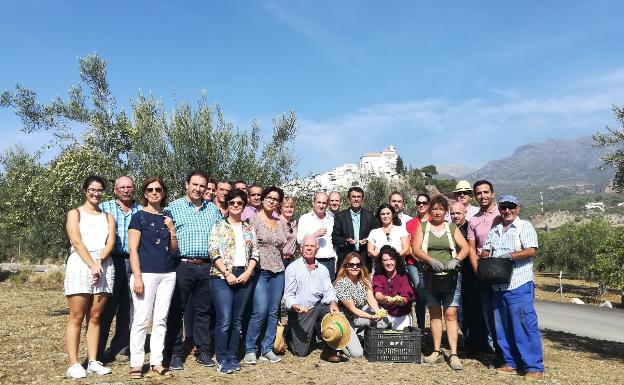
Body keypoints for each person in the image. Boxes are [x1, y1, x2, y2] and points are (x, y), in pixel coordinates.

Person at [164, 171, 223, 371]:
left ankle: (204, 351)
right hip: (182, 265)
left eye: (202, 186)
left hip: (207, 266)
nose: (198, 189)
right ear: (187, 185)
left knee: (203, 311)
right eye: (194, 184)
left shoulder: (212, 210)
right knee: (176, 310)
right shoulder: (173, 208)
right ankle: (174, 353)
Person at [482, 195, 543, 381]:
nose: (507, 211)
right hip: (497, 286)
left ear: (518, 208)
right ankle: (511, 362)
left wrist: (509, 256)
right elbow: (486, 249)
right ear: (499, 209)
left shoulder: (525, 227)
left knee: (524, 325)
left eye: (511, 207)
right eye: (503, 207)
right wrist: (486, 257)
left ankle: (534, 367)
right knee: (502, 326)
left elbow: (532, 250)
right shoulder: (496, 230)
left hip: (519, 283)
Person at [64, 175, 116, 378]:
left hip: (103, 265)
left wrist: (100, 261)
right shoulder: (74, 213)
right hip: (81, 263)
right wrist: (91, 264)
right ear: (85, 190)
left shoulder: (108, 217)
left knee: (95, 317)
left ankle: (93, 360)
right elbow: (76, 241)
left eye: (100, 190)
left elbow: (110, 242)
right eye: (92, 189)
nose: (96, 193)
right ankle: (74, 363)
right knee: (77, 316)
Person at [127, 178, 177, 379]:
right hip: (145, 274)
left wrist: (172, 230)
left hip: (168, 273)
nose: (155, 192)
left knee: (161, 319)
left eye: (158, 189)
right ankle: (136, 363)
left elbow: (174, 251)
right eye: (150, 189)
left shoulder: (168, 216)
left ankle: (157, 361)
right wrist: (137, 277)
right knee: (141, 319)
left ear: (163, 193)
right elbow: (133, 250)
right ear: (145, 193)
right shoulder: (138, 217)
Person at [412, 195, 468, 370]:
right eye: (434, 208)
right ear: (430, 210)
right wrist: (430, 260)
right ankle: (436, 351)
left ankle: (453, 353)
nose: (437, 212)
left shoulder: (451, 227)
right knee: (435, 313)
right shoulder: (423, 227)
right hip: (429, 276)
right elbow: (416, 248)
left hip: (450, 276)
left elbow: (465, 247)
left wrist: (456, 260)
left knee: (450, 314)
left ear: (445, 211)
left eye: (441, 209)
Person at [208, 189, 259, 374]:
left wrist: (248, 272)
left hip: (244, 276)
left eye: (239, 203)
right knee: (225, 319)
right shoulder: (218, 226)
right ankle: (221, 358)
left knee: (237, 321)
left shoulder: (248, 228)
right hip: (222, 277)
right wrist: (227, 273)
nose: (236, 206)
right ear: (227, 205)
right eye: (232, 203)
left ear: (244, 206)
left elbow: (255, 253)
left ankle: (231, 355)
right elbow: (213, 252)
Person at [98, 176, 142, 363]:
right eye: (122, 187)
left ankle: (121, 347)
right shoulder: (104, 208)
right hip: (111, 260)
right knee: (106, 306)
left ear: (134, 189)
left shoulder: (140, 210)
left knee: (129, 307)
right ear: (115, 190)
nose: (126, 190)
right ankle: (98, 349)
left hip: (133, 261)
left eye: (129, 187)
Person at [245, 186, 288, 364]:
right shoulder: (252, 220)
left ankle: (268, 349)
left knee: (272, 312)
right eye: (269, 197)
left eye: (276, 199)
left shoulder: (280, 222)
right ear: (262, 199)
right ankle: (250, 349)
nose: (272, 201)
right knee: (260, 310)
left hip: (278, 271)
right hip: (260, 270)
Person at [283, 236, 341, 362]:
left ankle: (328, 351)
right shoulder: (293, 268)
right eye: (306, 246)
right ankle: (289, 333)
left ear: (317, 250)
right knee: (301, 353)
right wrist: (295, 306)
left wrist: (333, 302)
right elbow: (288, 295)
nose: (309, 248)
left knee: (330, 311)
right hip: (300, 311)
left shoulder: (323, 269)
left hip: (317, 308)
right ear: (301, 248)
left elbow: (329, 290)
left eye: (312, 246)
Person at [466, 180, 503, 365]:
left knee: (506, 312)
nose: (483, 196)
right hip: (484, 274)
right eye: (479, 193)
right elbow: (472, 248)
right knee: (490, 314)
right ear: (475, 196)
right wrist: (477, 270)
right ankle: (499, 353)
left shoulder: (503, 213)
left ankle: (511, 353)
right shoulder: (474, 221)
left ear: (493, 193)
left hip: (505, 273)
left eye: (486, 192)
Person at [334, 252, 383, 358]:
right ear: (346, 267)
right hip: (346, 318)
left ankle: (358, 335)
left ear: (361, 266)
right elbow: (353, 309)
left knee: (384, 321)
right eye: (351, 265)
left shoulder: (364, 280)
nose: (355, 267)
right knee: (357, 354)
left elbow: (371, 298)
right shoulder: (341, 284)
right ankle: (340, 342)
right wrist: (371, 316)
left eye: (357, 264)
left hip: (359, 314)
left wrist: (378, 311)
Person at [372, 245, 416, 330]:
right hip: (384, 314)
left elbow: (405, 299)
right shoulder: (378, 275)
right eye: (385, 260)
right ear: (381, 262)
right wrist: (385, 299)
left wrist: (399, 300)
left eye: (391, 259)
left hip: (401, 314)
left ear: (396, 260)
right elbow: (378, 295)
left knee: (400, 340)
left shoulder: (403, 275)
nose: (388, 263)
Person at [297, 192, 337, 279]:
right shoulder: (305, 218)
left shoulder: (331, 219)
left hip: (329, 261)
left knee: (329, 290)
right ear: (313, 203)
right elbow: (299, 240)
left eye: (324, 203)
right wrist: (315, 235)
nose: (321, 205)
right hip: (312, 260)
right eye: (319, 202)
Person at [332, 187, 375, 270]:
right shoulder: (340, 216)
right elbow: (334, 237)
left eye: (359, 197)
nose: (356, 199)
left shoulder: (369, 216)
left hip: (364, 259)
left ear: (362, 199)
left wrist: (367, 241)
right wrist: (346, 241)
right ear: (349, 199)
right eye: (353, 197)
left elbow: (374, 236)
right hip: (346, 258)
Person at [405, 193, 430, 330]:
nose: (421, 205)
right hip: (413, 263)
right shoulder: (410, 223)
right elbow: (407, 245)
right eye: (418, 203)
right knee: (420, 292)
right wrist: (417, 257)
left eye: (424, 203)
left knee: (431, 295)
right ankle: (420, 328)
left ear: (429, 205)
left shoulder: (434, 221)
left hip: (431, 263)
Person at [280, 196, 298, 268]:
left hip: (291, 259)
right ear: (281, 208)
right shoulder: (277, 222)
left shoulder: (294, 223)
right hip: (280, 259)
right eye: (286, 207)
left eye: (291, 207)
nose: (289, 209)